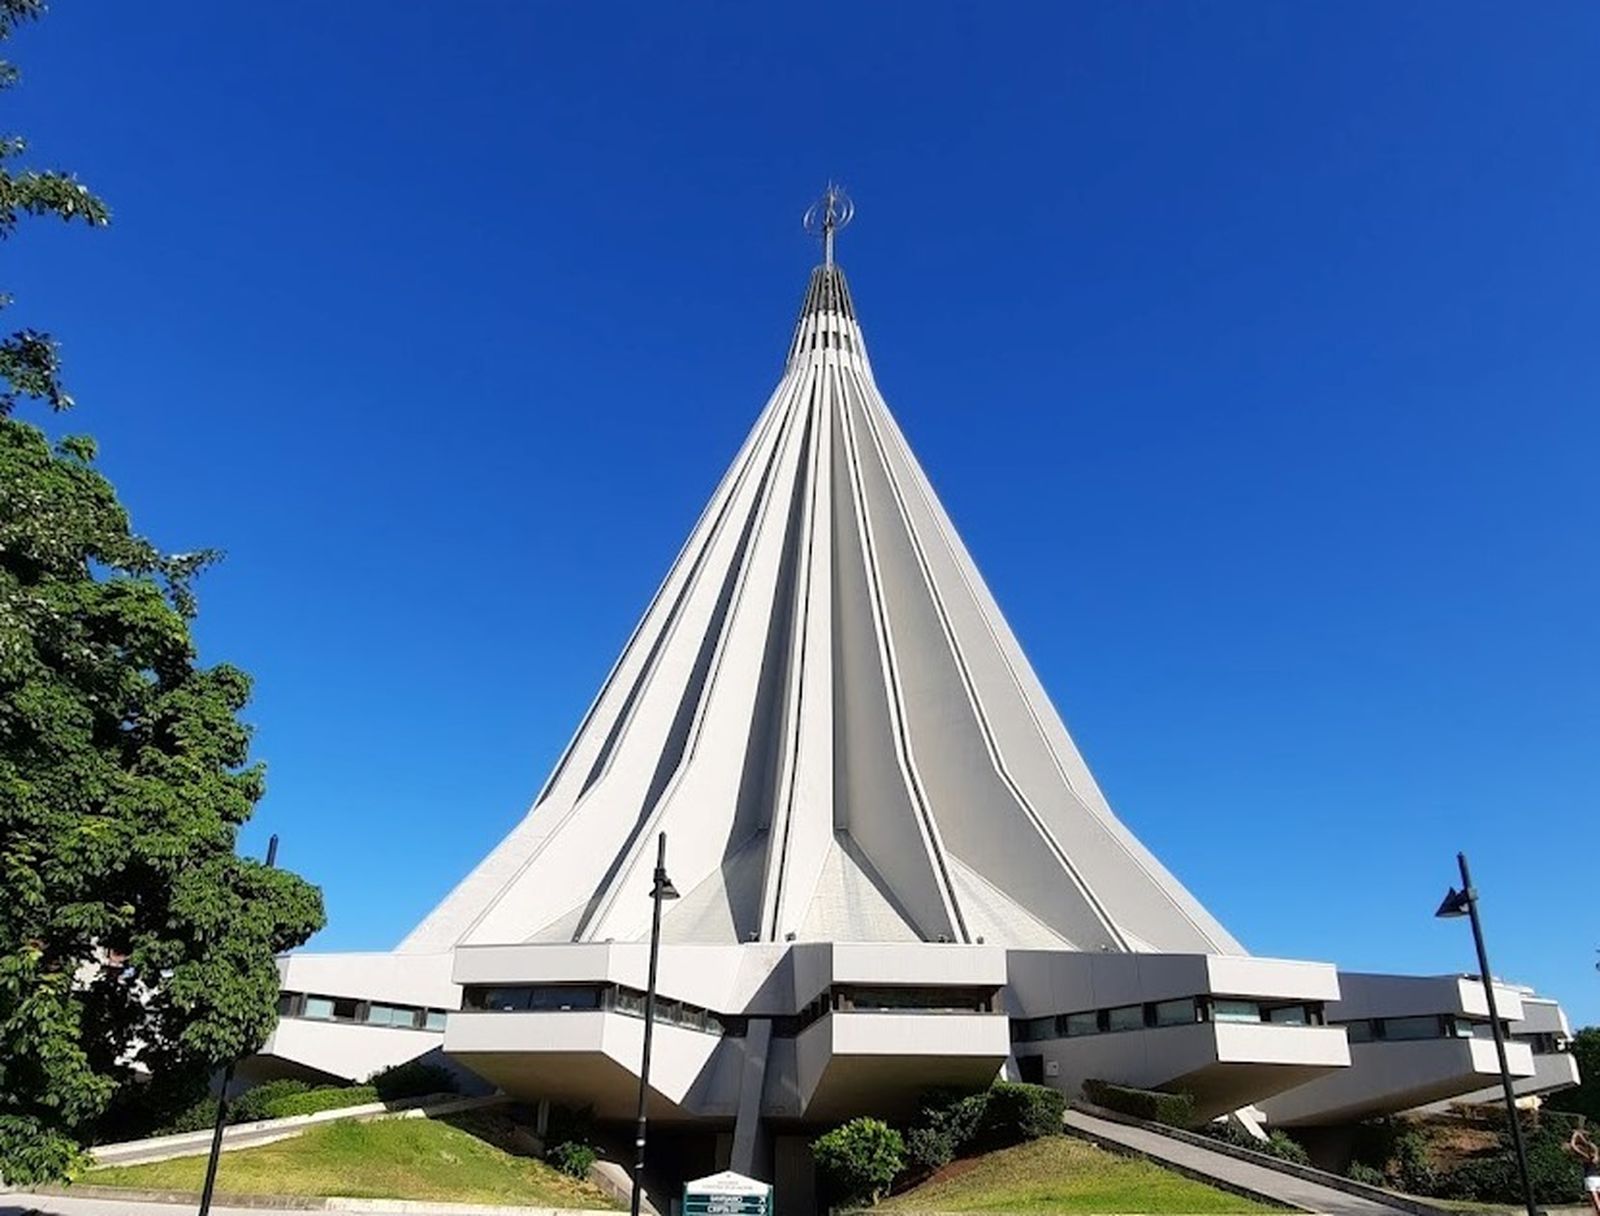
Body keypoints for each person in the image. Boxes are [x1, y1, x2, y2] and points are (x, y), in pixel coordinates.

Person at [1570, 1129, 1600, 1215]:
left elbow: (1573, 1146)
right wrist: (1583, 1138)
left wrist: (1575, 1136)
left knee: (1596, 1204)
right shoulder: (1596, 1156)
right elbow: (1591, 1146)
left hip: (1590, 1179)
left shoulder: (1585, 1156)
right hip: (1598, 1179)